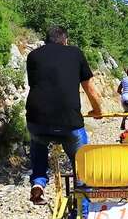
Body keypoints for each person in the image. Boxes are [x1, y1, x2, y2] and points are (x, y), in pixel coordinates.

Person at [26, 26, 102, 204]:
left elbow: (36, 85)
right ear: (65, 40)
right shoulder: (75, 53)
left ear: (47, 40)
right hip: (69, 121)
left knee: (38, 144)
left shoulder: (33, 56)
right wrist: (98, 111)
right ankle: (81, 217)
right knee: (81, 167)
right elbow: (90, 89)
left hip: (38, 118)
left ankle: (38, 182)